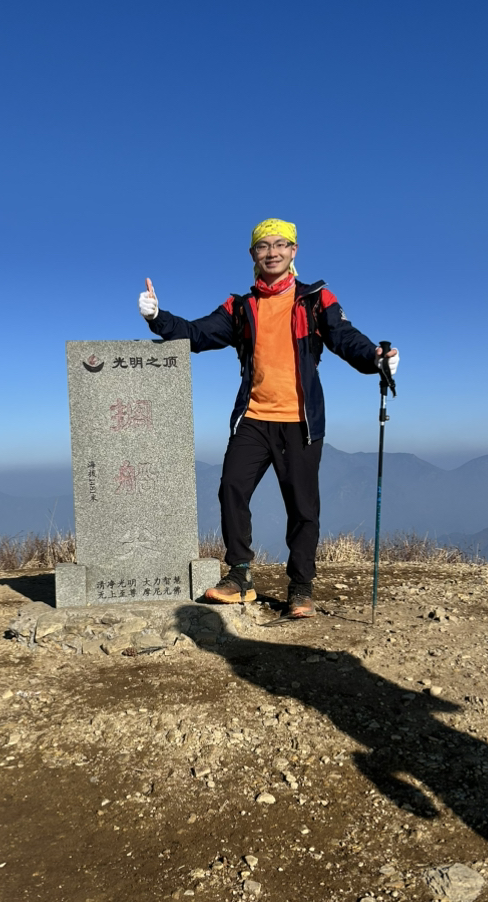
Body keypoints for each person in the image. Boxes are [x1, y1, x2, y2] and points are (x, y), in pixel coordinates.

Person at [138, 218, 399, 618]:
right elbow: (197, 333)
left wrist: (374, 357)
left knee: (302, 507)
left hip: (301, 421)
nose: (272, 252)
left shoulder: (315, 300)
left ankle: (301, 588)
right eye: (263, 246)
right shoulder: (241, 307)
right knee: (232, 488)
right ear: (252, 255)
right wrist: (158, 318)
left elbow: (344, 337)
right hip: (254, 418)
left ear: (294, 251)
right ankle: (240, 576)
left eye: (280, 244)